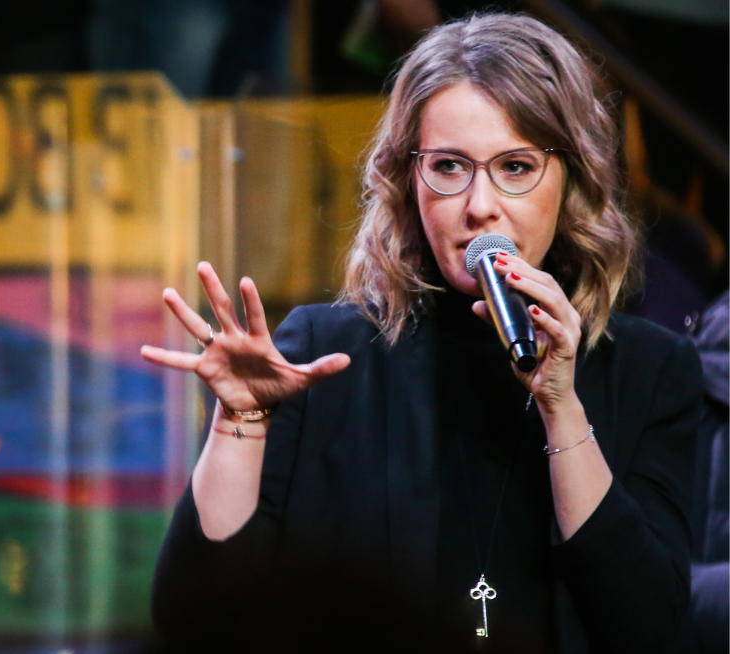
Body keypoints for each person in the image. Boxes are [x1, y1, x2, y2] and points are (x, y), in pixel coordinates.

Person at [140, 12, 702, 653]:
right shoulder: (321, 356)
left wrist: (561, 407)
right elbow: (192, 618)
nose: (480, 205)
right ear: (408, 181)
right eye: (450, 167)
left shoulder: (653, 370)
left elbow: (648, 628)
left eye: (516, 167)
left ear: (571, 179)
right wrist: (237, 424)